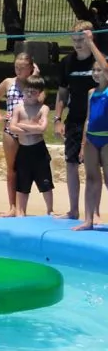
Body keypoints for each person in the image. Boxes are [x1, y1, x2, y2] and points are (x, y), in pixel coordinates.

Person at [54, 22, 99, 219]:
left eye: (82, 39)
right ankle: (73, 210)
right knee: (71, 163)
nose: (78, 43)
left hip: (98, 121)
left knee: (97, 167)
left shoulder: (99, 62)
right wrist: (57, 118)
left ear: (90, 38)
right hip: (75, 119)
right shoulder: (67, 63)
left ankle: (93, 211)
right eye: (75, 40)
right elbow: (62, 91)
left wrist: (93, 45)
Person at [0, 52, 41, 217]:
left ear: (30, 68)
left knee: (26, 169)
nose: (18, 70)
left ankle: (21, 207)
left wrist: (36, 76)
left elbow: (41, 100)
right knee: (12, 169)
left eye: (22, 68)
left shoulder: (34, 84)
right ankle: (12, 206)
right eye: (16, 67)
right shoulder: (8, 82)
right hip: (10, 130)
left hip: (28, 130)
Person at [73, 29, 108, 231]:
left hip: (107, 139)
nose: (96, 73)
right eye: (93, 70)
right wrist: (83, 143)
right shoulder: (91, 92)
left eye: (99, 70)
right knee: (91, 178)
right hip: (92, 139)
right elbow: (88, 119)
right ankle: (88, 220)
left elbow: (104, 64)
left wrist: (90, 41)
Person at [9, 75, 55, 216]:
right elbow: (12, 128)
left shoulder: (43, 108)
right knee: (23, 184)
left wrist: (22, 126)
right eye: (27, 90)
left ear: (39, 93)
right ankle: (21, 212)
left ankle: (50, 211)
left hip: (38, 150)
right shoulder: (18, 108)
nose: (29, 94)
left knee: (45, 182)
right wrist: (31, 127)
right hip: (23, 150)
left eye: (33, 92)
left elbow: (42, 129)